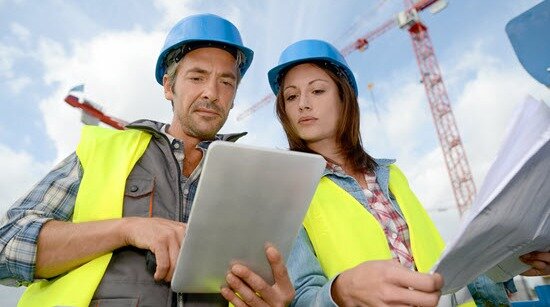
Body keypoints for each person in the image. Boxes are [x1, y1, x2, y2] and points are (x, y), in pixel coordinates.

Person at [0, 14, 294, 307]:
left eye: (226, 82)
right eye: (197, 77)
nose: (211, 93)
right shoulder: (105, 150)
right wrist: (127, 229)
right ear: (169, 86)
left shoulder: (252, 179)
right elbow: (7, 245)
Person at [267, 39, 550, 306]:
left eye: (317, 91)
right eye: (291, 97)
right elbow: (299, 296)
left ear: (345, 98)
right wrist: (341, 293)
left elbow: (437, 271)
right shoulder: (289, 191)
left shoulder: (391, 174)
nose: (303, 103)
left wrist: (509, 264)